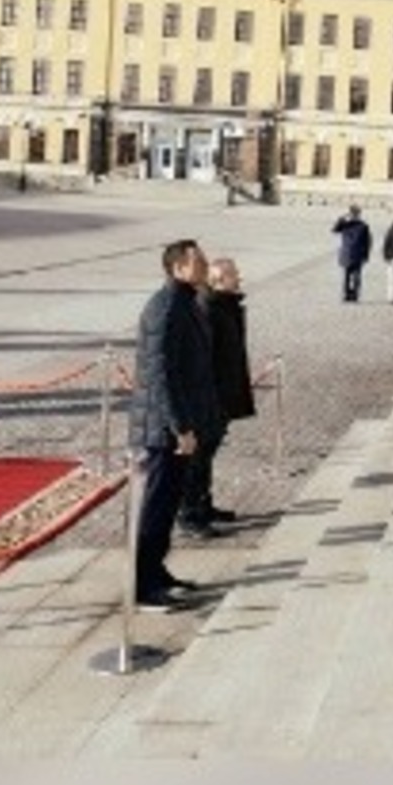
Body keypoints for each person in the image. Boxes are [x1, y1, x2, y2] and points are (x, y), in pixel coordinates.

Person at [127, 239, 217, 610]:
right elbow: (161, 375)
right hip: (162, 429)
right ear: (178, 267)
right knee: (155, 507)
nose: (205, 266)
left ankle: (155, 569)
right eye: (198, 262)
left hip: (177, 424)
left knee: (167, 506)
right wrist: (180, 427)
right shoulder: (165, 308)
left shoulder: (185, 302)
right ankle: (142, 587)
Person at [180, 255, 255, 535]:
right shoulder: (209, 308)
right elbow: (203, 359)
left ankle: (204, 504)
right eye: (234, 274)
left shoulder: (226, 305)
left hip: (223, 394)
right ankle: (189, 514)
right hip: (209, 398)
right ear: (217, 280)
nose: (239, 277)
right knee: (197, 458)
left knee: (208, 454)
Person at [331, 205, 372, 302]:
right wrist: (366, 255)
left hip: (349, 253)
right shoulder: (361, 225)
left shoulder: (348, 224)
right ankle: (353, 294)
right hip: (354, 254)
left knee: (349, 276)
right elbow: (367, 242)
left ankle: (349, 294)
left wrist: (341, 218)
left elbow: (335, 229)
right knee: (353, 276)